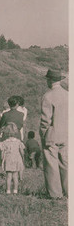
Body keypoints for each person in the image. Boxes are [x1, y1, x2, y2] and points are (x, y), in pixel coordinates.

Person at [40, 68, 68, 199]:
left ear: (50, 80)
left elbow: (46, 119)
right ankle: (68, 191)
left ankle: (55, 194)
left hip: (52, 133)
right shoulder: (68, 94)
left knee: (51, 164)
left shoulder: (48, 96)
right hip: (67, 133)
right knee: (66, 163)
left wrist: (43, 132)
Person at [0, 123, 25, 195]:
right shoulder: (18, 142)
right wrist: (22, 158)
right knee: (15, 176)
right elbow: (22, 152)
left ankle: (8, 190)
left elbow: (2, 153)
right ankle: (15, 190)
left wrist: (2, 160)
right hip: (16, 159)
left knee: (8, 176)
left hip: (8, 159)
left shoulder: (4, 143)